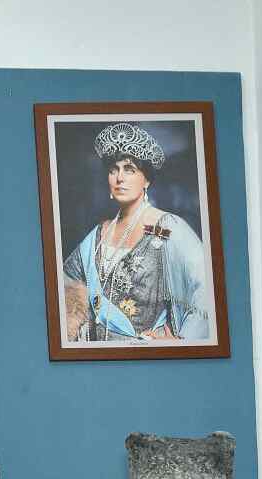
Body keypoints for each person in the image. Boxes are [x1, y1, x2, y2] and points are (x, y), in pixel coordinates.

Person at [60, 122, 212, 343]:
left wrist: (181, 341)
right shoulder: (98, 234)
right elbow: (63, 286)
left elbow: (207, 288)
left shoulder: (168, 227)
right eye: (113, 170)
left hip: (146, 356)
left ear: (146, 179)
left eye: (129, 169)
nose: (119, 178)